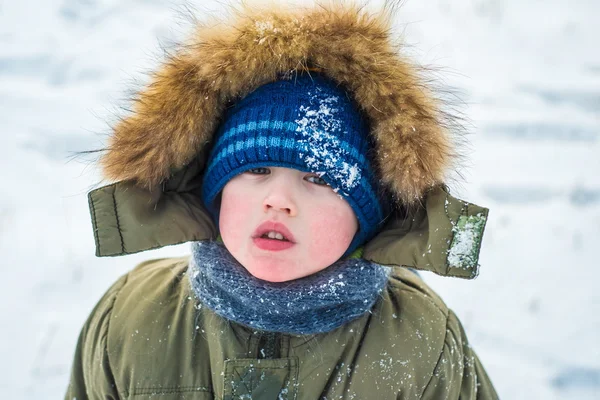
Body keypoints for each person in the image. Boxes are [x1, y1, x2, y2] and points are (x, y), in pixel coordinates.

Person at [66, 3, 498, 399]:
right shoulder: (131, 314)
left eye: (317, 177)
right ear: (213, 197)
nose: (277, 200)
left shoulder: (422, 340)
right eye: (255, 171)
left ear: (369, 216)